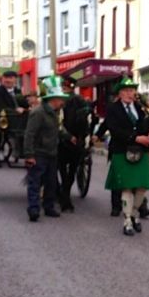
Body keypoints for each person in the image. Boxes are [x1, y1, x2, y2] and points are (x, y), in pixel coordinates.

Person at [104, 75, 149, 236]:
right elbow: (115, 130)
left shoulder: (140, 108)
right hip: (122, 151)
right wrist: (135, 138)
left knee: (142, 187)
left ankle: (135, 213)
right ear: (120, 93)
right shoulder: (113, 109)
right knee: (127, 187)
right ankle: (127, 220)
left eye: (133, 90)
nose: (130, 94)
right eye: (127, 91)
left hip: (141, 151)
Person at [22, 75, 68, 222]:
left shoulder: (54, 113)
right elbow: (30, 134)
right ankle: (33, 209)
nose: (63, 101)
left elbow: (58, 130)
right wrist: (29, 155)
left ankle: (48, 207)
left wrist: (70, 137)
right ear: (53, 99)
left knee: (50, 182)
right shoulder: (38, 113)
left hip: (52, 152)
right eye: (61, 98)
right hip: (39, 152)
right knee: (35, 181)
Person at [57, 76, 92, 213]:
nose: (66, 89)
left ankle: (65, 195)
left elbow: (87, 115)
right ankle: (63, 195)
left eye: (68, 87)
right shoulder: (57, 100)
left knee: (71, 171)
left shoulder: (79, 100)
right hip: (60, 137)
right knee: (62, 169)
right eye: (64, 87)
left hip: (76, 137)